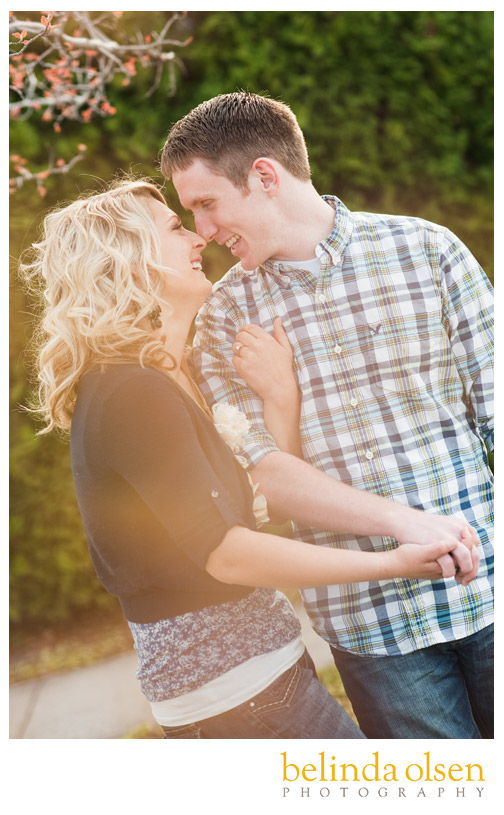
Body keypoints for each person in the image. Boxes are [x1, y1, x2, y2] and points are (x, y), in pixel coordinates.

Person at [21, 178, 472, 740]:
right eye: (176, 228)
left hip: (261, 680)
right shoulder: (131, 393)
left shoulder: (171, 374)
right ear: (130, 262)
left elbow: (260, 508)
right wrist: (394, 562)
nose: (199, 238)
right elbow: (227, 554)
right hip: (235, 697)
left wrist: (280, 400)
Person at [161, 91, 494, 739]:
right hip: (374, 632)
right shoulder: (224, 319)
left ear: (264, 176)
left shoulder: (428, 251)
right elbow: (265, 481)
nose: (202, 230)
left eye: (206, 203)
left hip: (489, 594)